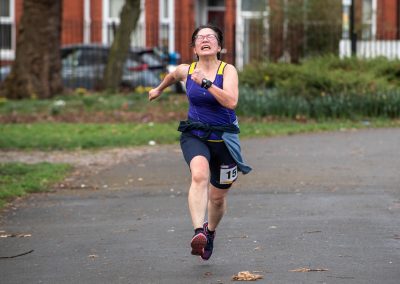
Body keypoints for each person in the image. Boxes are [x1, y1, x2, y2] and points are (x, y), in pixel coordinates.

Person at [148, 24, 251, 261]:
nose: (205, 39)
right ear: (194, 47)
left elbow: (231, 101)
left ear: (219, 46)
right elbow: (172, 76)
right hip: (195, 134)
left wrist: (206, 83)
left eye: (210, 37)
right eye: (200, 37)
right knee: (199, 175)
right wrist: (159, 89)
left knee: (217, 198)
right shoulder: (187, 69)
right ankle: (198, 232)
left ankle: (210, 232)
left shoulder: (228, 70)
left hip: (225, 139)